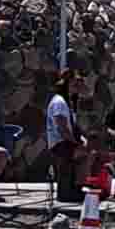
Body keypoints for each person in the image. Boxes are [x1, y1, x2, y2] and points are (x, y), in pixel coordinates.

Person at [46, 67, 90, 199]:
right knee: (85, 154)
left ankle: (76, 186)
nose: (78, 87)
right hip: (59, 143)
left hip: (66, 141)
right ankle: (74, 188)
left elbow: (73, 127)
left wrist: (82, 139)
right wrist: (77, 144)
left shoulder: (68, 102)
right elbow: (62, 129)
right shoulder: (59, 102)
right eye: (74, 84)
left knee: (90, 147)